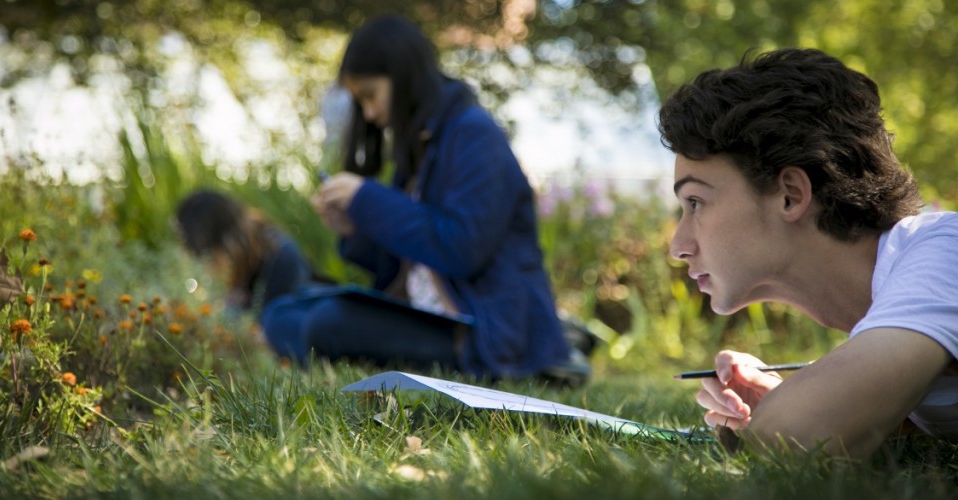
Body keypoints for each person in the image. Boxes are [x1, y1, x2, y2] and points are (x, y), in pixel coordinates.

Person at [658, 48, 958, 459]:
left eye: (695, 202)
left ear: (791, 194)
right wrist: (792, 399)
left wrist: (799, 412)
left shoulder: (946, 251)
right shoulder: (901, 295)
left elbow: (797, 435)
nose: (678, 247)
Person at [261, 14, 581, 382]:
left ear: (402, 78)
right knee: (281, 313)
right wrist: (353, 227)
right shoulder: (421, 145)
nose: (370, 114)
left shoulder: (475, 134)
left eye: (370, 96)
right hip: (426, 313)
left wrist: (367, 198)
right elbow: (403, 262)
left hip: (484, 329)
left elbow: (461, 249)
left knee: (325, 323)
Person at [175, 190, 313, 315]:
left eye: (209, 255)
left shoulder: (280, 257)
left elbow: (281, 325)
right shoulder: (250, 258)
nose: (210, 266)